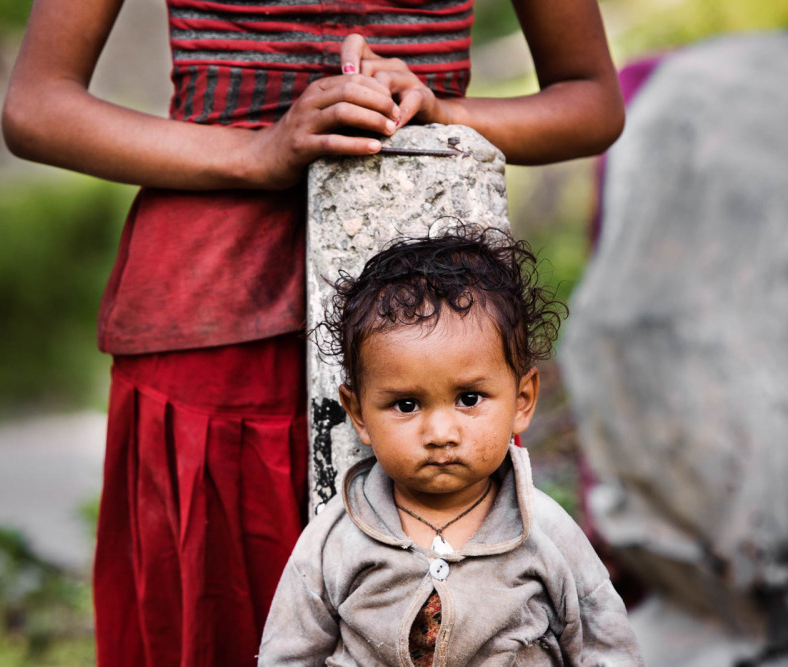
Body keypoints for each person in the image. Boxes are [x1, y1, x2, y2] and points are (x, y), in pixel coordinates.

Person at [1, 1, 625, 664]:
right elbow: (38, 106)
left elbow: (591, 100)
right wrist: (255, 152)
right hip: (218, 333)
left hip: (435, 325)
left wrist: (445, 111)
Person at [259, 225, 642, 666]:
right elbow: (287, 653)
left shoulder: (545, 531)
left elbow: (606, 648)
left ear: (522, 401)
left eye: (469, 399)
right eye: (406, 405)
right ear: (359, 413)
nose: (441, 433)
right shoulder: (336, 537)